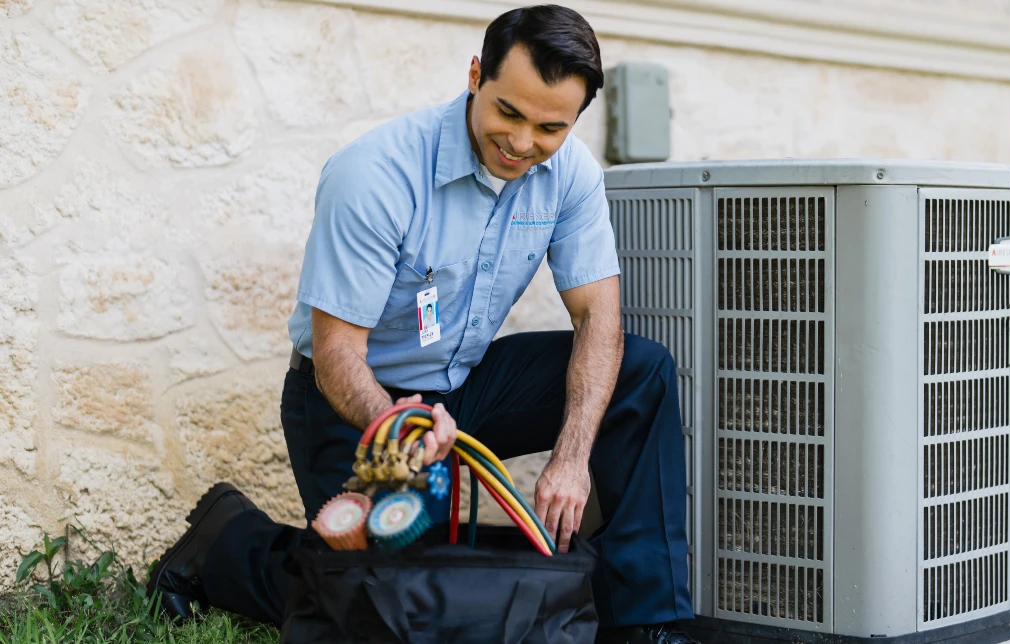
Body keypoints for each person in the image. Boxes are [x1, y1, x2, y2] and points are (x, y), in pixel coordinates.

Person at [146, 5, 697, 643]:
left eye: (549, 127)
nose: (522, 144)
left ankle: (645, 620)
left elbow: (598, 315)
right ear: (474, 76)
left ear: (574, 121)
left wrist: (572, 459)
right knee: (405, 606)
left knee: (641, 368)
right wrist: (397, 429)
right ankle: (223, 546)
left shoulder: (569, 173)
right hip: (355, 398)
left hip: (465, 384)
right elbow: (337, 357)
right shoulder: (375, 175)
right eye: (508, 114)